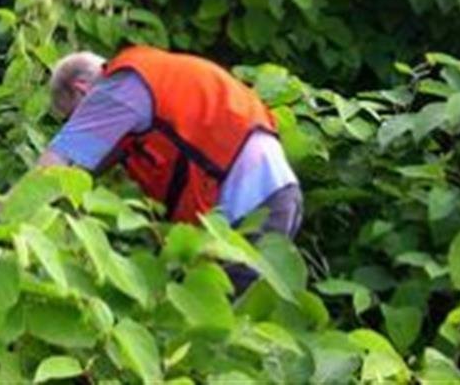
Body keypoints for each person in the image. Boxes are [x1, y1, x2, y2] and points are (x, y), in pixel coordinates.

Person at [34, 45, 302, 295]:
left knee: (217, 328)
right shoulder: (150, 80)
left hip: (249, 205)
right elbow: (86, 169)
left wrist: (5, 221)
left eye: (74, 118)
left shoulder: (120, 88)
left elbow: (56, 164)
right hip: (278, 194)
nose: (82, 124)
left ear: (81, 90)